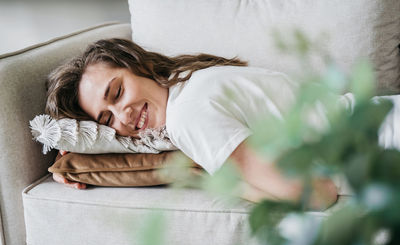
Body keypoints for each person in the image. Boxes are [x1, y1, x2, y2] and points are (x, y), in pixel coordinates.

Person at [45, 38, 338, 210]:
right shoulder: (190, 79)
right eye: (107, 120)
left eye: (118, 92)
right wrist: (80, 159)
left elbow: (318, 194)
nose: (124, 117)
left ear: (137, 65)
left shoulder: (188, 118)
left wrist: (208, 176)